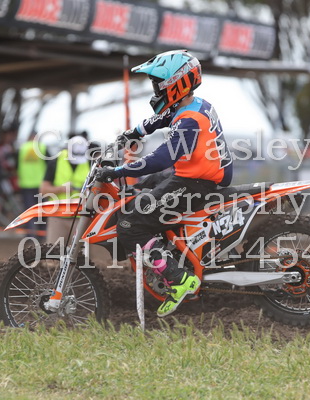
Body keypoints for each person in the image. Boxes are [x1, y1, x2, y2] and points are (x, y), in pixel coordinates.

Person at [95, 50, 233, 317]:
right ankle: (168, 249)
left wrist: (119, 171)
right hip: (195, 175)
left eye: (158, 83)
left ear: (175, 83)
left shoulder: (189, 120)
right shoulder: (196, 105)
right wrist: (132, 134)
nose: (155, 89)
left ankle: (179, 279)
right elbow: (162, 118)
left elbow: (162, 158)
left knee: (129, 224)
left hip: (196, 183)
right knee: (140, 190)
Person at [40, 134, 91, 244]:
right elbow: (43, 190)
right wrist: (61, 189)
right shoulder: (55, 162)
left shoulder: (90, 164)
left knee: (81, 254)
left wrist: (87, 192)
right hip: (57, 216)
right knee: (53, 252)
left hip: (80, 218)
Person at [17, 131, 48, 238]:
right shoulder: (42, 147)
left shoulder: (22, 148)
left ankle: (30, 234)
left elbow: (16, 165)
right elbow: (50, 164)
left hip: (26, 184)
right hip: (40, 184)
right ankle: (42, 233)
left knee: (28, 210)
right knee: (42, 210)